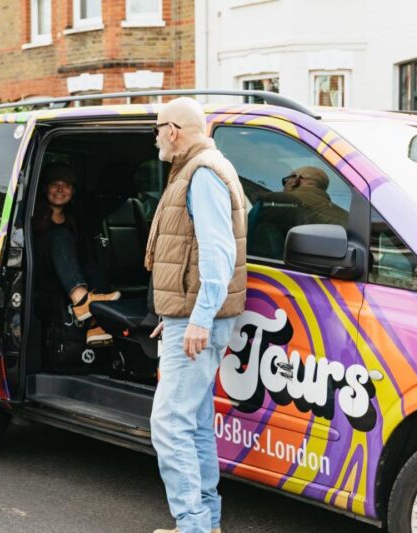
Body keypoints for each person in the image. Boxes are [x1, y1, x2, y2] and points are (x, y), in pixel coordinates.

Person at [146, 97, 247, 533]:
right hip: (189, 316)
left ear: (173, 130)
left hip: (199, 319)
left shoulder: (201, 173)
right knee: (196, 424)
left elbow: (218, 255)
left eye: (156, 130)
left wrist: (199, 318)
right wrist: (175, 314)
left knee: (169, 425)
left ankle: (193, 527)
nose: (155, 139)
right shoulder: (208, 165)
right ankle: (206, 523)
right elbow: (189, 253)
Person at [33, 163, 121, 346]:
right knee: (60, 237)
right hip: (40, 272)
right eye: (54, 184)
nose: (60, 189)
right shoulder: (31, 215)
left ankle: (96, 324)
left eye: (65, 185)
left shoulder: (75, 218)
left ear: (72, 191)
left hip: (64, 277)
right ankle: (81, 299)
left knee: (94, 268)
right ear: (45, 189)